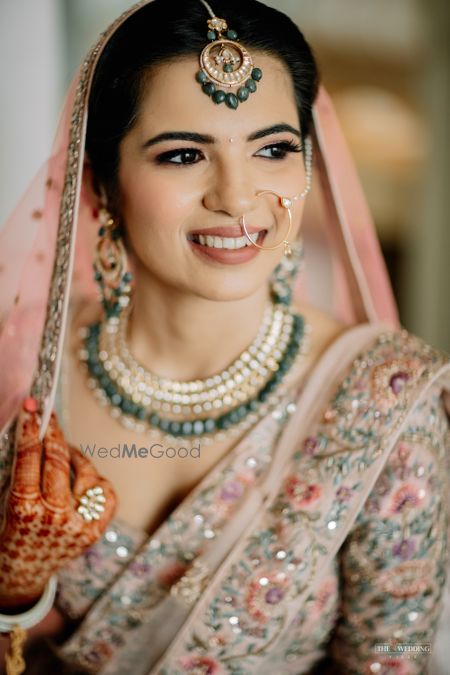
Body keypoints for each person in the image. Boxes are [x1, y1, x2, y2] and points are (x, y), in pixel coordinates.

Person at [0, 0, 449, 673]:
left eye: (272, 149)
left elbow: (397, 657)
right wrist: (16, 591)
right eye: (183, 154)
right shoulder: (26, 375)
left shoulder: (386, 399)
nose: (238, 198)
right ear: (101, 185)